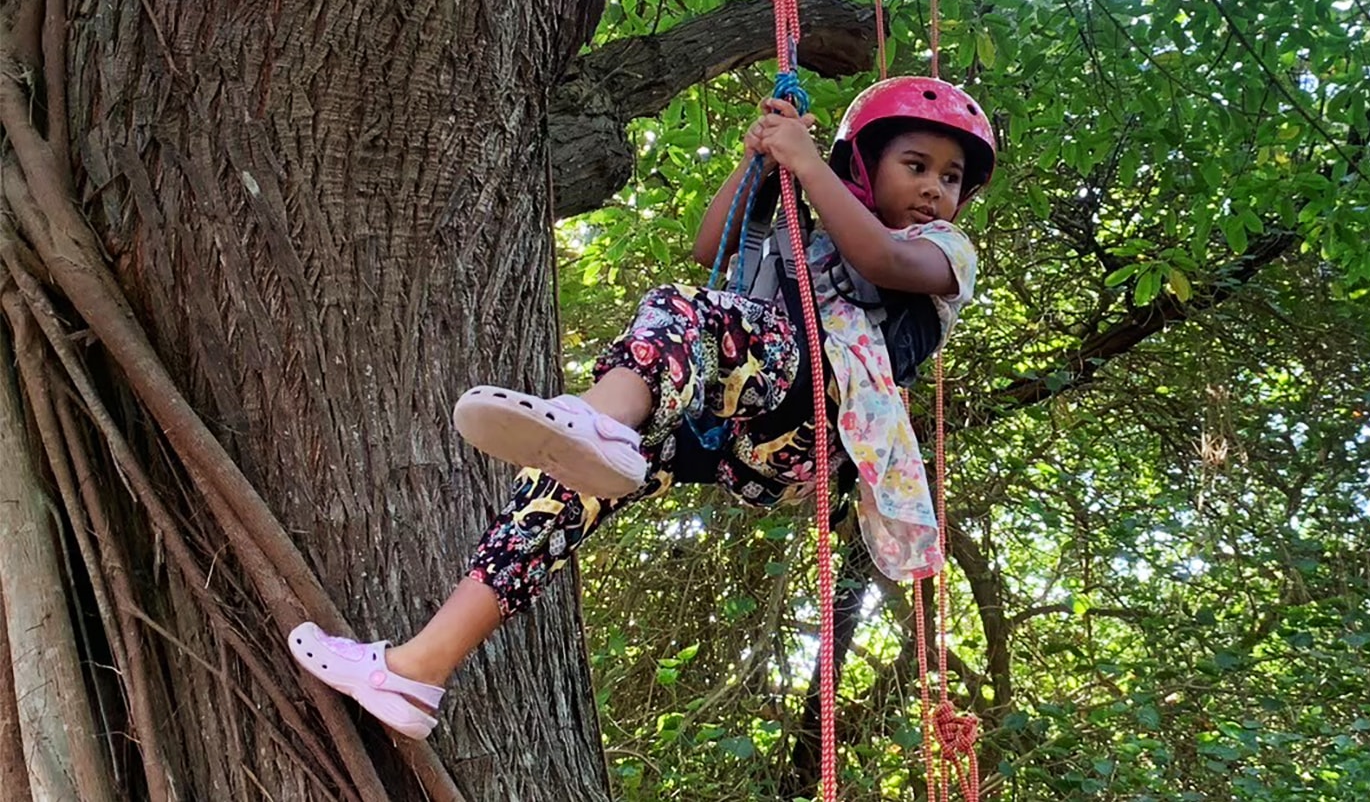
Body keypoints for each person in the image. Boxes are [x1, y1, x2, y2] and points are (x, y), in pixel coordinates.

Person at [285, 76, 996, 738]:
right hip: (732, 428)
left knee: (682, 313)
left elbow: (880, 263)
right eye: (917, 165)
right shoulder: (803, 235)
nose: (935, 188)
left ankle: (601, 418)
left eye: (951, 177)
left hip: (809, 420)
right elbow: (710, 246)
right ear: (863, 166)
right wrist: (761, 159)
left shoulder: (943, 251)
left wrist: (808, 167)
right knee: (555, 496)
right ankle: (417, 672)